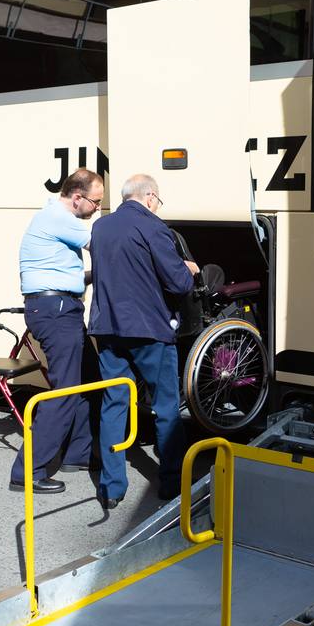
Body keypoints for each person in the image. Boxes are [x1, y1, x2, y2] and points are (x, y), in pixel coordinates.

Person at [88, 174, 200, 510]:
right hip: (149, 329)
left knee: (114, 404)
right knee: (165, 406)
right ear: (150, 196)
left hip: (108, 329)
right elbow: (178, 284)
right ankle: (171, 483)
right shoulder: (154, 227)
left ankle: (111, 487)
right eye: (158, 200)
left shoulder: (101, 227)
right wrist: (188, 268)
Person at [9, 168, 105, 495]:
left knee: (88, 378)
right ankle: (28, 470)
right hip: (56, 311)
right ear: (77, 197)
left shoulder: (55, 219)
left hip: (58, 307)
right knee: (64, 392)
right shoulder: (59, 218)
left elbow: (69, 275)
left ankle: (77, 454)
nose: (98, 210)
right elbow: (103, 243)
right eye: (96, 202)